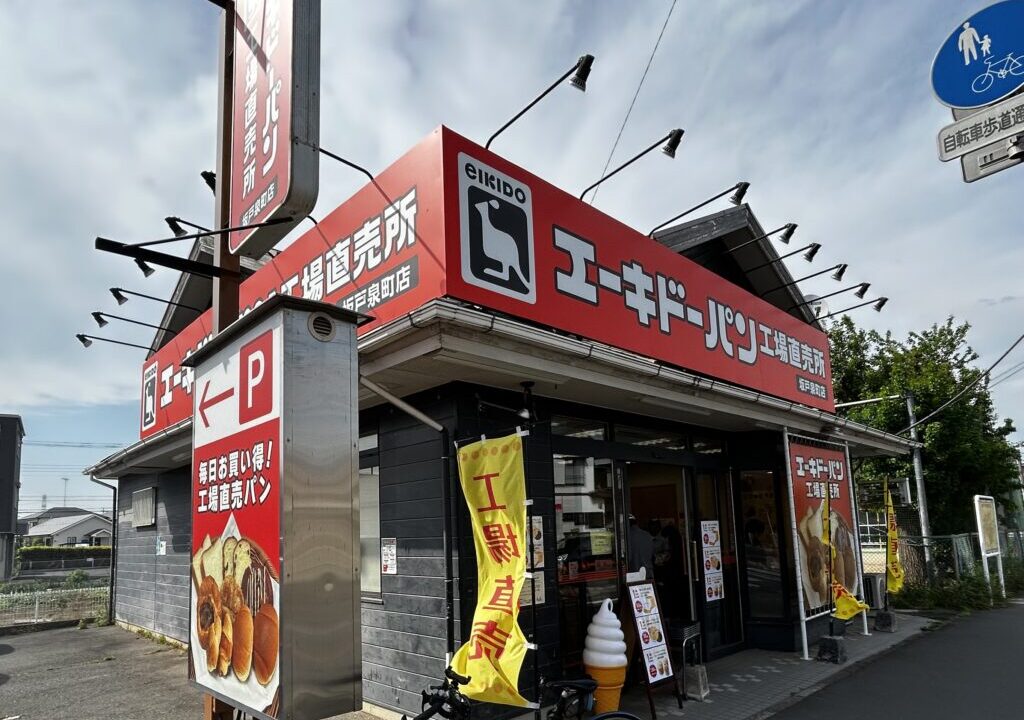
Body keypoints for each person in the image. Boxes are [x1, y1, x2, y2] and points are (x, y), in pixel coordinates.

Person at [627, 515, 655, 579]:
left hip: (633, 576)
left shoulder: (626, 537)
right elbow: (653, 555)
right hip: (648, 574)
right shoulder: (647, 535)